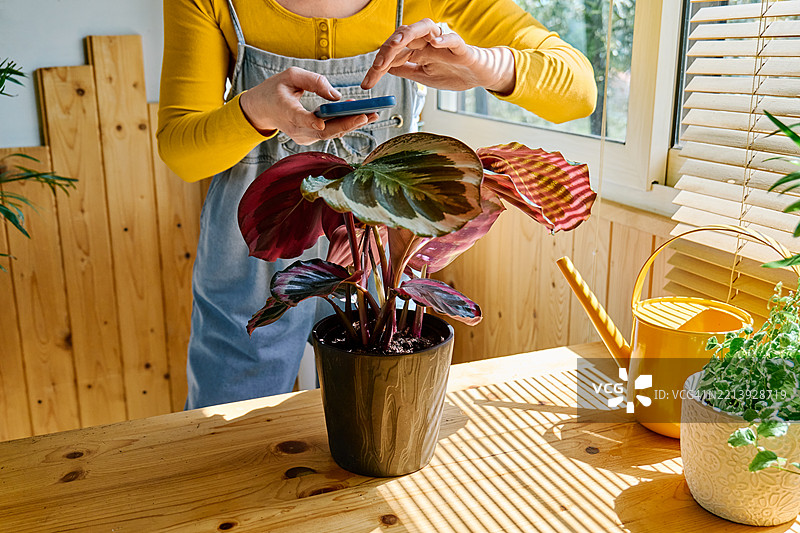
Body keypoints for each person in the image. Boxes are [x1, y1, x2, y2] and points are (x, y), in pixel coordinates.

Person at [158, 0, 597, 409]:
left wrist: (484, 65)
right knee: (229, 427)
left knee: (376, 423)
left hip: (379, 245)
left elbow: (578, 90)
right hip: (255, 243)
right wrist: (255, 110)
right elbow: (182, 152)